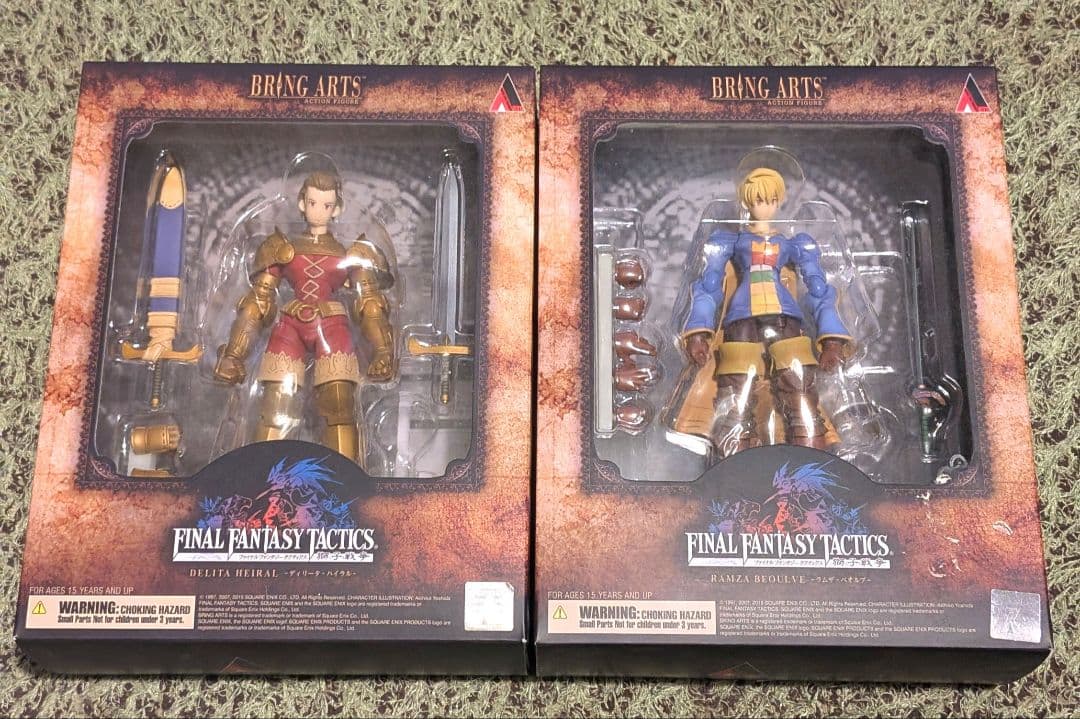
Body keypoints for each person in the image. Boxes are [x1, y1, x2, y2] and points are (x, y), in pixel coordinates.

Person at [213, 170, 396, 465]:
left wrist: (384, 352)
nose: (319, 210)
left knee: (339, 403)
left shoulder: (353, 253)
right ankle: (264, 476)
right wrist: (234, 355)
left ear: (337, 208)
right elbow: (258, 300)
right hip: (290, 324)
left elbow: (370, 304)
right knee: (276, 406)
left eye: (326, 205)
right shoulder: (281, 248)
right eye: (312, 203)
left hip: (331, 324)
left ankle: (344, 477)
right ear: (302, 203)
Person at [680, 167, 853, 457]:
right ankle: (735, 456)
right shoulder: (729, 242)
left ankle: (810, 455)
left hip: (785, 315)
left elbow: (820, 290)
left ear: (779, 201)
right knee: (736, 390)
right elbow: (708, 287)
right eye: (759, 200)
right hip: (741, 316)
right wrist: (698, 332)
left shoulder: (795, 244)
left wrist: (832, 339)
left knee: (799, 385)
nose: (765, 206)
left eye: (771, 199)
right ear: (747, 201)